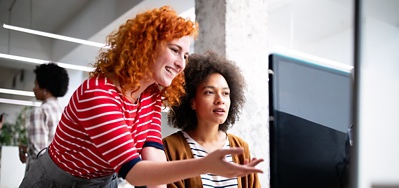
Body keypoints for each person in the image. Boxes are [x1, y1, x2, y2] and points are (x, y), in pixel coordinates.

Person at [19, 6, 263, 188]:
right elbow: (134, 173)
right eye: (175, 50)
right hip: (56, 182)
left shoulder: (150, 95)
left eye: (186, 56)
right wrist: (205, 165)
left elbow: (153, 157)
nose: (181, 64)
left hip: (103, 182)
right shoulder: (99, 95)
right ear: (145, 45)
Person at [163, 51, 261, 188]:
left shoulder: (239, 148)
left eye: (225, 93)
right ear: (192, 101)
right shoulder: (171, 148)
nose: (220, 100)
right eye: (209, 92)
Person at [18, 62, 69, 173]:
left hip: (38, 178)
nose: (34, 89)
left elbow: (39, 154)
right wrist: (28, 149)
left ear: (45, 88)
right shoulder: (65, 110)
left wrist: (29, 155)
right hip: (58, 175)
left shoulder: (40, 112)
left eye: (36, 85)